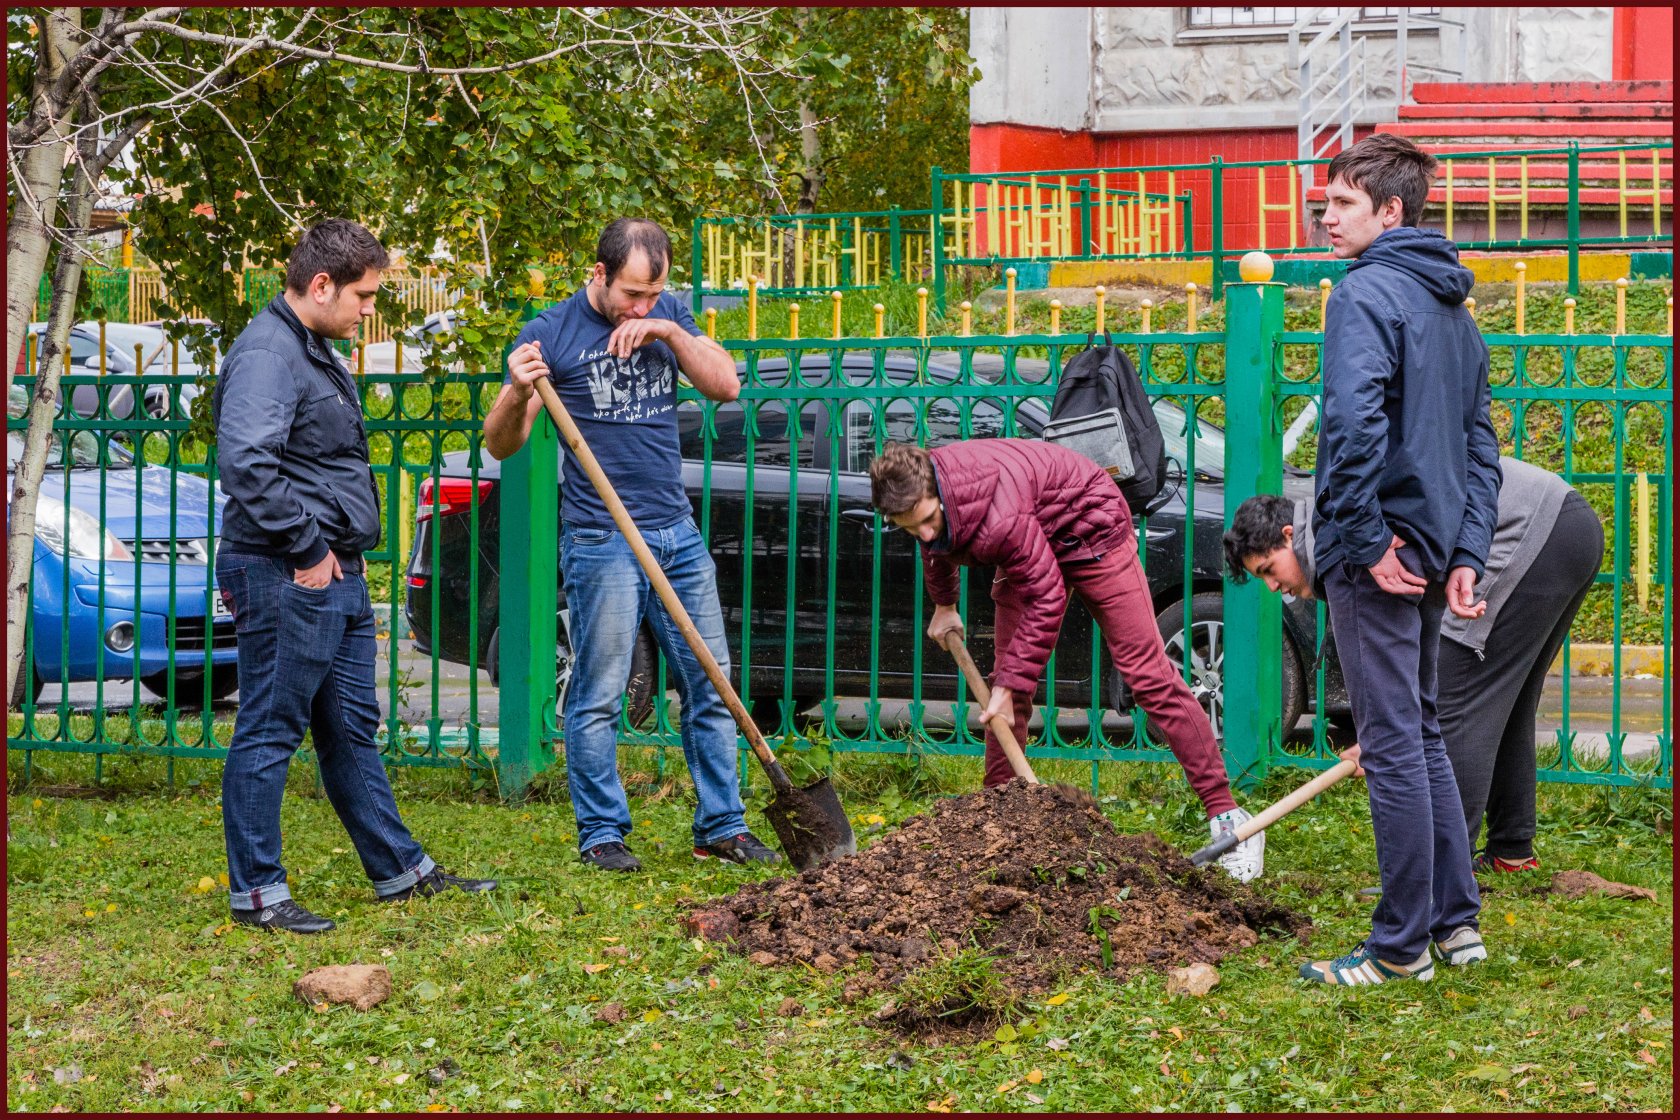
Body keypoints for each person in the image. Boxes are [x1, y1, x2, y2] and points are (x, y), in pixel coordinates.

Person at [214, 219, 496, 934]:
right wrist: (308, 547)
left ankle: (400, 871)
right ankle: (258, 895)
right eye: (363, 296)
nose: (369, 310)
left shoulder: (309, 347)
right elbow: (247, 460)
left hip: (329, 569)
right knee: (270, 730)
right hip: (287, 568)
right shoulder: (270, 354)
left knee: (349, 728)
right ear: (320, 285)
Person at [483, 217, 779, 872]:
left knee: (711, 680)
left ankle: (722, 826)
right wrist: (515, 388)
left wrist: (670, 330)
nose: (642, 307)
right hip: (600, 539)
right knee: (602, 689)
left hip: (675, 531)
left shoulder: (668, 315)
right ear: (598, 275)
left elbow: (726, 384)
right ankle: (602, 834)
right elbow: (501, 444)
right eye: (631, 296)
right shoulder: (551, 335)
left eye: (654, 293)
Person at [867, 438, 1265, 883]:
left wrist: (1008, 681)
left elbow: (1048, 596)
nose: (922, 532)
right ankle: (1000, 822)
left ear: (937, 492)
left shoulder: (999, 511)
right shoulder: (927, 495)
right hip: (1029, 544)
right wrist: (944, 604)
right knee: (1008, 691)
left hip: (1090, 530)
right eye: (908, 526)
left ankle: (1229, 816)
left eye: (925, 519)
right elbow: (937, 542)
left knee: (1147, 673)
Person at [1297, 133, 1502, 985]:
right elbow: (1479, 446)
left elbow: (1351, 424)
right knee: (1418, 734)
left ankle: (1399, 948)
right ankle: (1455, 926)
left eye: (1342, 203)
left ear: (1391, 210)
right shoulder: (1452, 309)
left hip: (1379, 550)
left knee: (1392, 742)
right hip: (1431, 546)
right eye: (1324, 202)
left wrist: (1363, 537)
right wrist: (1466, 551)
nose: (1324, 217)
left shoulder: (1366, 294)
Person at [1225, 459, 1603, 875]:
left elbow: (1413, 671)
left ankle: (1443, 876)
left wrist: (1386, 732)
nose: (1273, 587)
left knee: (1456, 705)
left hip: (1526, 531)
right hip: (1568, 523)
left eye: (1268, 570)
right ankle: (1511, 851)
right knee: (1503, 703)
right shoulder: (1335, 523)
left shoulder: (1344, 529)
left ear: (1289, 535)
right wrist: (1385, 730)